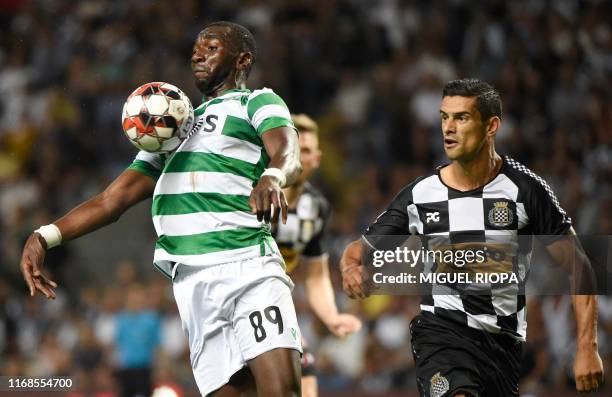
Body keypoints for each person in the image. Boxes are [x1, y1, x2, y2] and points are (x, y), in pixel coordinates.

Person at [20, 21, 304, 397]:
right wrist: (45, 236)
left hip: (246, 266)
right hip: (192, 286)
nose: (197, 54)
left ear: (243, 59)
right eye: (195, 50)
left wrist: (272, 176)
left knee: (280, 392)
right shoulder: (172, 127)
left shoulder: (255, 102)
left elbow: (288, 151)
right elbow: (111, 201)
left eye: (212, 47)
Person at [339, 78, 604, 396]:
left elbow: (579, 266)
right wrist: (350, 269)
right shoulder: (421, 195)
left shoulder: (525, 190)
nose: (448, 128)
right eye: (444, 117)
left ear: (491, 126)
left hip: (502, 348)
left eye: (461, 117)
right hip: (442, 335)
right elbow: (357, 251)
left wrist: (587, 346)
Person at [272, 114, 362, 397]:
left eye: (308, 151)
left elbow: (315, 276)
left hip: (275, 305)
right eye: (297, 149)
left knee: (306, 382)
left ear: (317, 160)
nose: (301, 157)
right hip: (235, 302)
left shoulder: (317, 208)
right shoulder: (256, 190)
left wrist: (332, 318)